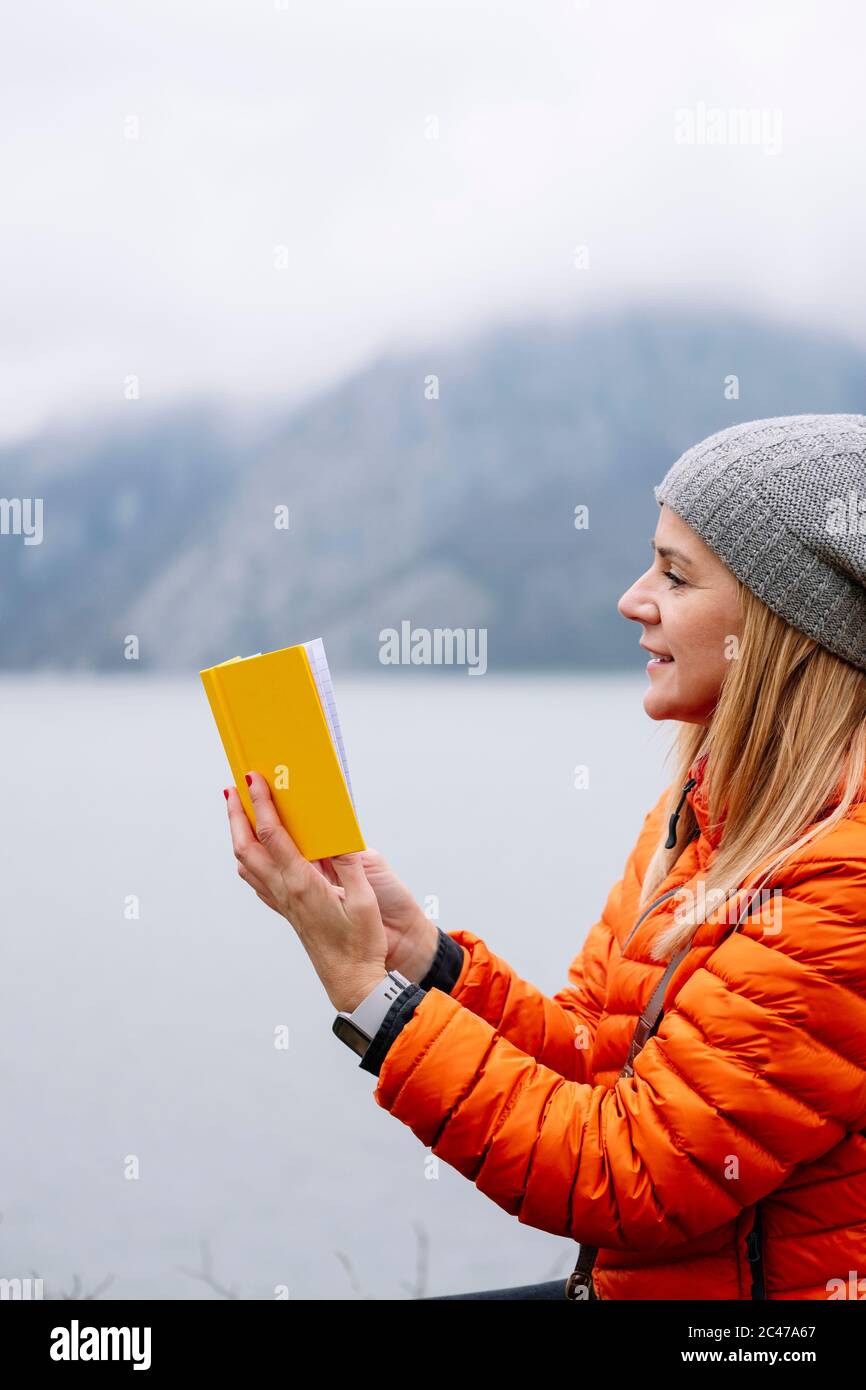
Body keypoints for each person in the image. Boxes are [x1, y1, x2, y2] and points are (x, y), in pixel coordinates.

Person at [223, 414, 866, 1300]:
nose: (632, 598)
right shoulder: (711, 810)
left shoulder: (842, 879)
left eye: (675, 576)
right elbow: (595, 1055)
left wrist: (368, 997)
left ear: (784, 624)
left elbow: (629, 1176)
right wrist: (421, 957)